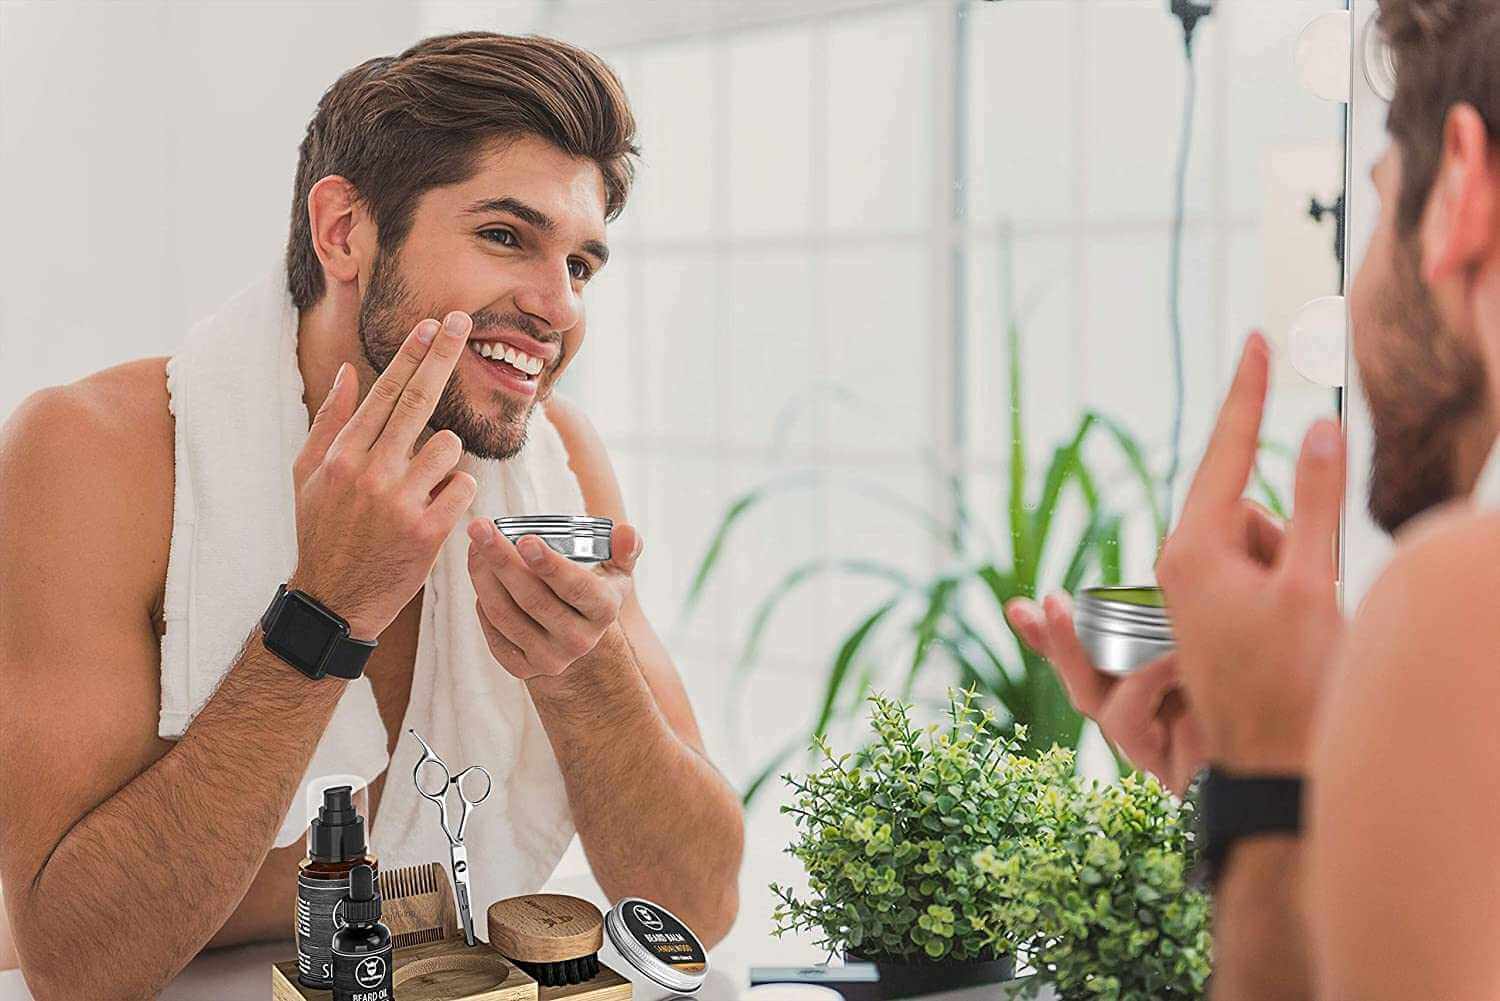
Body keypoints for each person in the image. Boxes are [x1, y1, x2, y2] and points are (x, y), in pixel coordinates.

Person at [0, 32, 743, 1001]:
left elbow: (698, 910)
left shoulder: (557, 467)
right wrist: (324, 610)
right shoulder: (93, 455)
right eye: (506, 236)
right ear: (344, 229)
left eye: (583, 266)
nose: (557, 307)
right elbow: (74, 963)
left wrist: (585, 674)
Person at [1008, 1, 1500, 997]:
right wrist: (1279, 746)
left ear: (1457, 185)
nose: (1359, 288)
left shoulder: (1461, 597)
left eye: (1375, 202)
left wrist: (1267, 774)